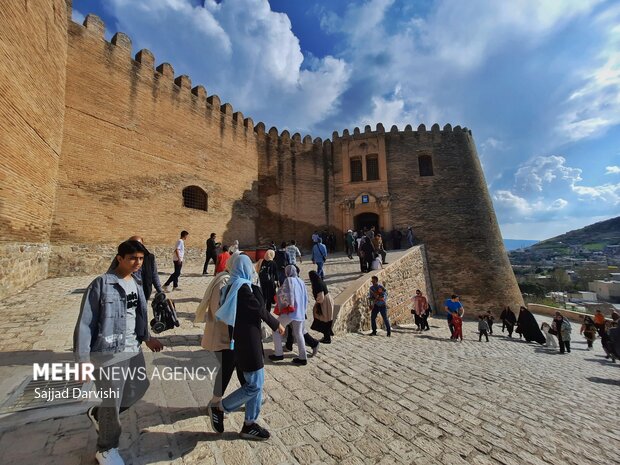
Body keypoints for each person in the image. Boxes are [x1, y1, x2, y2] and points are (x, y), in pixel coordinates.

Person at [74, 240, 163, 465]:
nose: (138, 263)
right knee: (111, 402)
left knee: (138, 388)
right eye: (133, 258)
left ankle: (100, 416)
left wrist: (147, 337)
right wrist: (83, 360)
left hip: (133, 349)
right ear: (120, 258)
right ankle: (106, 448)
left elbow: (139, 315)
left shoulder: (136, 282)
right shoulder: (101, 284)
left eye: (141, 259)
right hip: (109, 354)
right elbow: (85, 324)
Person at [209, 254, 285, 440]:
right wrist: (276, 325)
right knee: (254, 385)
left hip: (243, 339)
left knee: (254, 384)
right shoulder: (242, 287)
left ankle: (249, 424)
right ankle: (220, 407)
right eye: (249, 266)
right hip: (248, 342)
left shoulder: (233, 285)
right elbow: (259, 309)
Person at [196, 254, 246, 425]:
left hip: (230, 335)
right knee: (227, 368)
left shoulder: (228, 279)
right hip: (223, 335)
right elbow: (221, 310)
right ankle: (215, 402)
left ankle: (249, 394)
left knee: (240, 366)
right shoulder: (224, 281)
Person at [270, 265, 313, 365]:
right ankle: (303, 358)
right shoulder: (301, 281)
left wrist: (278, 295)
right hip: (300, 312)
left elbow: (285, 294)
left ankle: (278, 354)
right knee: (299, 334)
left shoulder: (288, 280)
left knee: (276, 328)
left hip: (290, 311)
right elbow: (306, 297)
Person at [109, 235, 162, 301]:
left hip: (144, 290)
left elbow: (154, 274)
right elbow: (111, 272)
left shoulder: (149, 257)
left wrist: (160, 291)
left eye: (141, 258)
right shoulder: (122, 257)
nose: (138, 262)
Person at [309, 270, 335, 344]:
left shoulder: (317, 284)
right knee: (326, 319)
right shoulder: (319, 281)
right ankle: (327, 336)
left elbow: (321, 297)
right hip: (327, 301)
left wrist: (317, 303)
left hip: (324, 303)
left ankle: (327, 338)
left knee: (324, 320)